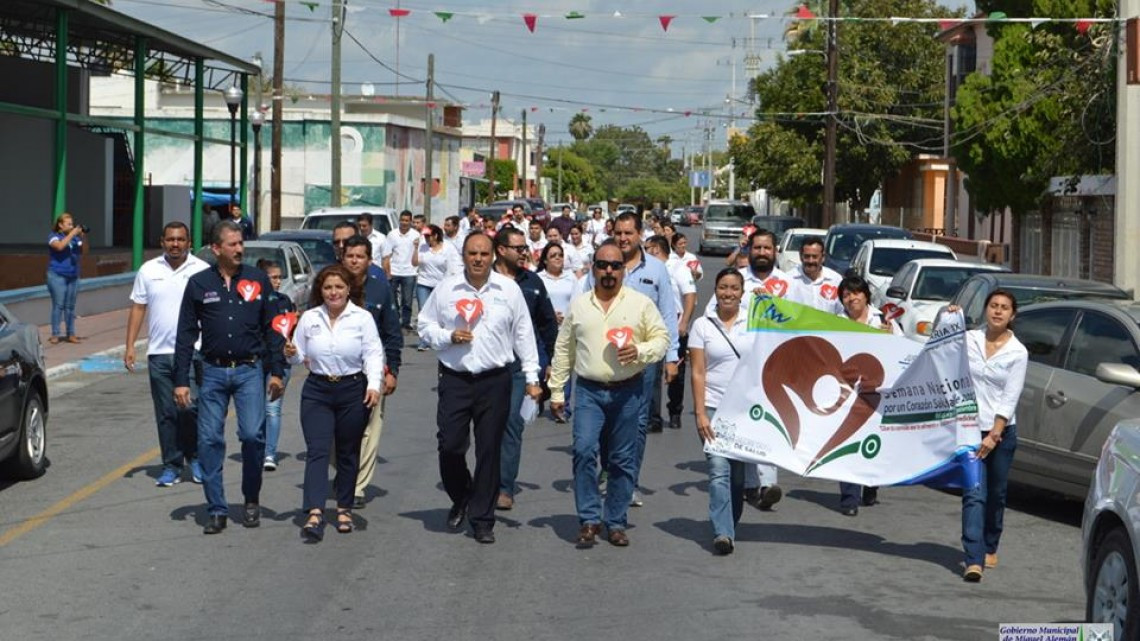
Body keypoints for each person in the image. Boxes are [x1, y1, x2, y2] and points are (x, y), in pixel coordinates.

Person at [416, 233, 543, 544]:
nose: (478, 259)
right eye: (472, 253)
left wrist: (532, 378)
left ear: (493, 256)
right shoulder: (447, 288)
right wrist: (448, 336)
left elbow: (523, 334)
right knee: (450, 445)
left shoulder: (508, 290)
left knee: (489, 449)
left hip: (495, 380)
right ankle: (462, 494)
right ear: (463, 255)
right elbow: (424, 324)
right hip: (455, 379)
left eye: (484, 254)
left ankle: (483, 519)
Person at [548, 242, 670, 548]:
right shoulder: (580, 305)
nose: (608, 271)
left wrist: (639, 350)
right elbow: (564, 349)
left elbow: (661, 339)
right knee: (583, 451)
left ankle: (615, 521)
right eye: (602, 265)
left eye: (615, 266)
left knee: (622, 459)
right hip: (589, 392)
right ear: (593, 268)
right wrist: (557, 391)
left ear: (623, 270)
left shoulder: (640, 304)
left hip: (628, 392)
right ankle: (589, 519)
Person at [173, 220, 286, 535]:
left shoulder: (257, 279)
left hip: (250, 370)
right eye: (233, 244)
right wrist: (180, 380)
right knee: (209, 439)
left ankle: (251, 499)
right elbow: (185, 334)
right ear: (216, 248)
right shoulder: (199, 283)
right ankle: (216, 509)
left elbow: (273, 328)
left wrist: (277, 372)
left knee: (252, 436)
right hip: (212, 371)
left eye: (241, 243)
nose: (239, 249)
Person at [285, 265, 383, 542]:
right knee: (317, 450)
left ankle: (344, 508)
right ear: (321, 291)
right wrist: (290, 352)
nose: (333, 292)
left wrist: (374, 385)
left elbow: (373, 353)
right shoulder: (310, 318)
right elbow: (297, 355)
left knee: (347, 451)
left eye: (339, 287)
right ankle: (315, 512)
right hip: (317, 390)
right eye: (328, 287)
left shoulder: (362, 318)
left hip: (353, 388)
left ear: (348, 289)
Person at [591, 213, 679, 506]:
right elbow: (586, 304)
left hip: (644, 358)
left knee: (638, 422)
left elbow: (667, 314)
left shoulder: (656, 269)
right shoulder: (601, 265)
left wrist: (671, 357)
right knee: (608, 419)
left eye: (628, 233)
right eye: (618, 232)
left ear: (640, 234)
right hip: (606, 356)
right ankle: (608, 469)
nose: (623, 238)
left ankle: (628, 482)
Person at [704, 229, 789, 510]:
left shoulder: (790, 284)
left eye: (767, 248)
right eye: (757, 248)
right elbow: (710, 317)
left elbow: (810, 321)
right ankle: (752, 486)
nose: (762, 253)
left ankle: (766, 485)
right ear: (749, 250)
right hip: (739, 370)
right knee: (747, 425)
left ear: (775, 251)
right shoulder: (737, 281)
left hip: (776, 367)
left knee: (767, 425)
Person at [125, 221, 210, 486]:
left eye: (180, 239)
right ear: (162, 242)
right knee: (166, 413)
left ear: (189, 242)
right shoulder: (148, 270)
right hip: (159, 353)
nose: (175, 244)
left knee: (190, 408)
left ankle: (195, 458)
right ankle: (171, 465)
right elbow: (138, 307)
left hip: (193, 352)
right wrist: (130, 346)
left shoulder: (202, 270)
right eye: (170, 239)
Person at [953, 289, 1028, 582]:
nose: (997, 311)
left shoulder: (1018, 352)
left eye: (1004, 308)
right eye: (993, 305)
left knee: (996, 494)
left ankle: (990, 543)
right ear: (986, 309)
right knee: (974, 494)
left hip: (1001, 432)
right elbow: (940, 350)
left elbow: (1010, 397)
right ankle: (973, 559)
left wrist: (995, 434)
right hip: (969, 428)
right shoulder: (969, 339)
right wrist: (948, 317)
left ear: (1012, 315)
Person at [491, 228, 558, 510]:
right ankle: (484, 481)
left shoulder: (533, 282)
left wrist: (551, 361)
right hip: (487, 366)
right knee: (485, 427)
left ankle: (504, 487)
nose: (523, 253)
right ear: (501, 250)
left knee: (512, 424)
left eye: (525, 248)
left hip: (520, 367)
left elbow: (547, 323)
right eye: (518, 248)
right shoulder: (485, 280)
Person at [690, 268, 750, 554]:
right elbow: (698, 372)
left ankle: (730, 521)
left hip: (744, 411)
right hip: (713, 407)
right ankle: (722, 532)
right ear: (715, 291)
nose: (728, 293)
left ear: (742, 292)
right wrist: (700, 412)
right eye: (723, 287)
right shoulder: (702, 326)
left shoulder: (754, 323)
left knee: (737, 475)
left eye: (734, 288)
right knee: (717, 471)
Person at [340, 235, 402, 509]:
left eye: (360, 256)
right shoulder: (331, 285)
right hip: (337, 372)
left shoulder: (380, 288)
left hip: (372, 372)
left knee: (369, 430)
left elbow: (392, 331)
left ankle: (357, 487)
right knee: (335, 432)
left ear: (369, 260)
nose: (354, 261)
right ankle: (345, 469)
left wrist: (392, 371)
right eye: (350, 256)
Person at [833, 275, 900, 516]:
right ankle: (849, 499)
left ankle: (871, 484)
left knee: (872, 442)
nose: (851, 298)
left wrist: (890, 336)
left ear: (866, 296)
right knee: (847, 441)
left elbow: (902, 351)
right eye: (846, 295)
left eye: (856, 293)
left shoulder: (883, 320)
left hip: (877, 391)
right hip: (848, 390)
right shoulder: (836, 322)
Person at [644, 235, 696, 431]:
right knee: (652, 375)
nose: (645, 252)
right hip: (654, 329)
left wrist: (684, 322)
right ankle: (653, 417)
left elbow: (690, 296)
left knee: (675, 374)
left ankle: (675, 411)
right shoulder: (648, 269)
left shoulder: (678, 267)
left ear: (656, 249)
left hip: (676, 326)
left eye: (647, 248)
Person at [256, 259, 296, 471]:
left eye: (280, 277)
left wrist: (291, 346)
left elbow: (290, 331)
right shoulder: (252, 302)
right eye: (274, 277)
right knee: (255, 409)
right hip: (256, 362)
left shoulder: (284, 301)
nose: (278, 281)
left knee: (272, 408)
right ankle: (255, 445)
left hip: (280, 363)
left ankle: (269, 453)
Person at [536, 242, 579, 423]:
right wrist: (549, 315)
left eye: (560, 255)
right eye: (553, 255)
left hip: (565, 331)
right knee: (541, 367)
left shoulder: (571, 278)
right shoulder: (538, 278)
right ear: (545, 260)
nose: (557, 258)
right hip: (543, 332)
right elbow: (535, 304)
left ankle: (563, 408)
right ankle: (541, 396)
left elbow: (577, 302)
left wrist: (567, 318)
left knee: (563, 368)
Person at [415, 224, 462, 350]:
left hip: (441, 285)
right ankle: (424, 341)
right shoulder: (422, 247)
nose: (426, 238)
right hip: (424, 283)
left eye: (428, 236)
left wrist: (450, 283)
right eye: (425, 236)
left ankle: (441, 337)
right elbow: (414, 263)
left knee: (440, 313)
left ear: (435, 235)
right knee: (423, 311)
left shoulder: (448, 247)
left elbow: (453, 267)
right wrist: (415, 249)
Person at [46, 212, 87, 344]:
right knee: (58, 305)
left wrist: (83, 238)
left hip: (73, 276)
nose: (71, 226)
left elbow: (84, 251)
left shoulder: (75, 238)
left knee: (70, 306)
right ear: (60, 225)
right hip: (57, 275)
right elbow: (59, 247)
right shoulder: (54, 236)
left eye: (72, 224)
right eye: (68, 224)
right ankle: (55, 334)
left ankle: (71, 334)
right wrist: (72, 234)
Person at [383, 210, 421, 330]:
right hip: (394, 271)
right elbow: (387, 254)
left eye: (407, 220)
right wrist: (388, 272)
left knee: (407, 300)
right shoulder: (392, 234)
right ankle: (395, 319)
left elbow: (419, 253)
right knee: (392, 299)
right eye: (402, 220)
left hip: (409, 272)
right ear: (399, 220)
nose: (404, 223)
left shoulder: (416, 235)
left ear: (410, 222)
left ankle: (406, 322)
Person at [787, 236, 843, 315]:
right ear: (800, 256)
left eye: (815, 256)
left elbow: (841, 311)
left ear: (823, 257)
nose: (811, 261)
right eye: (807, 256)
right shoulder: (788, 279)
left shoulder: (836, 280)